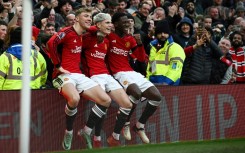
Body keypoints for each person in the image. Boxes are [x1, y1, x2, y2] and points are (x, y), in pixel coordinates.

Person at [46, 7, 111, 150]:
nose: (89, 18)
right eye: (86, 16)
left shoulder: (85, 32)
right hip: (63, 75)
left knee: (106, 100)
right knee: (74, 99)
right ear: (76, 19)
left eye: (90, 16)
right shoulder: (67, 32)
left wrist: (103, 28)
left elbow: (97, 28)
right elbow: (51, 43)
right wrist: (57, 65)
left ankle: (86, 131)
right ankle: (69, 132)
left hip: (78, 75)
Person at [106, 12, 162, 145]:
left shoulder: (130, 39)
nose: (127, 24)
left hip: (131, 72)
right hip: (118, 73)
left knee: (156, 97)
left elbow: (142, 59)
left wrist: (140, 44)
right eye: (124, 22)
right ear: (115, 24)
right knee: (136, 92)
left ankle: (139, 125)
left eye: (128, 22)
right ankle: (125, 122)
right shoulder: (109, 37)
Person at [80, 13, 132, 148]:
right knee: (104, 103)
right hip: (93, 76)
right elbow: (82, 31)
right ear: (98, 25)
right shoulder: (87, 38)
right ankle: (91, 134)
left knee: (127, 104)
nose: (111, 25)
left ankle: (113, 137)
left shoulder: (107, 40)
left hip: (106, 75)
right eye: (107, 23)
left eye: (111, 22)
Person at [146, 20, 186, 85]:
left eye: (165, 33)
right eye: (159, 33)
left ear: (169, 34)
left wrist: (166, 83)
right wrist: (148, 82)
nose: (162, 35)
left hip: (170, 86)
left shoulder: (176, 48)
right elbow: (151, 69)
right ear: (156, 34)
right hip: (154, 85)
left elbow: (175, 68)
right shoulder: (153, 48)